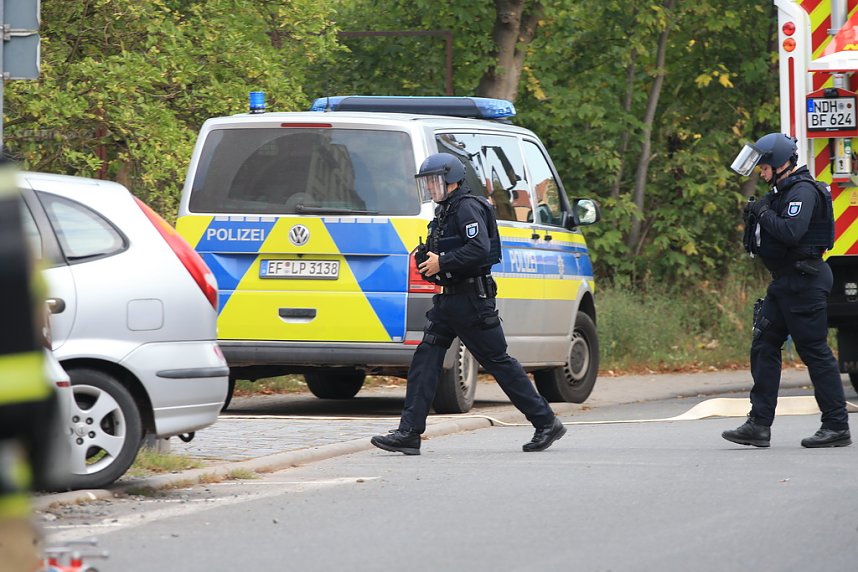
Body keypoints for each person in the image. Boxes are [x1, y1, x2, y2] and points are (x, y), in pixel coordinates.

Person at [370, 153, 566, 455]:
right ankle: (409, 433)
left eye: (434, 181)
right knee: (426, 359)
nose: (431, 188)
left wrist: (443, 261)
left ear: (452, 180)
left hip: (472, 301)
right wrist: (428, 261)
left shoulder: (467, 208)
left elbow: (478, 248)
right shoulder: (445, 212)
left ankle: (546, 421)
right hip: (449, 300)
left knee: (498, 362)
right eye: (427, 183)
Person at [726, 132, 850, 448]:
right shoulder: (783, 191)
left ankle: (836, 426)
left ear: (780, 164)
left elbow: (792, 232)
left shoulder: (803, 192)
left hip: (804, 282)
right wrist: (764, 209)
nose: (761, 172)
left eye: (764, 167)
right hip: (785, 283)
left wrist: (763, 212)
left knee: (814, 351)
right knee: (764, 343)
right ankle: (759, 424)